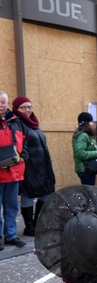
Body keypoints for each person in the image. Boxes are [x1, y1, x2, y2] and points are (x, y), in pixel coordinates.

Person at [12, 95, 55, 236]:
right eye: (23, 107)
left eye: (29, 106)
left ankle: (37, 223)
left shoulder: (34, 124)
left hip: (43, 166)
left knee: (46, 193)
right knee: (28, 195)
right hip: (29, 168)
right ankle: (28, 226)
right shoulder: (17, 123)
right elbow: (19, 146)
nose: (27, 110)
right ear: (16, 109)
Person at [0, 91, 27, 249]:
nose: (0, 105)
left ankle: (10, 235)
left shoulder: (16, 121)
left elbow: (25, 141)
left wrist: (25, 155)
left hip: (14, 172)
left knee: (12, 207)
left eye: (3, 101)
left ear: (7, 104)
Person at [72, 112, 97, 186]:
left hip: (88, 169)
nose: (93, 124)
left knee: (89, 193)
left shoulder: (86, 135)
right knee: (88, 194)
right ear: (86, 123)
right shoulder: (83, 136)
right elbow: (80, 153)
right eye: (91, 122)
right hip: (86, 170)